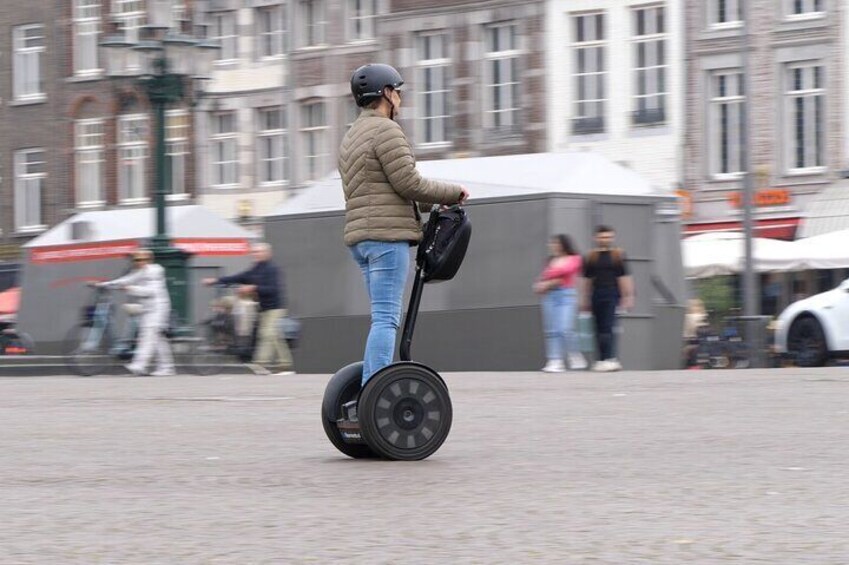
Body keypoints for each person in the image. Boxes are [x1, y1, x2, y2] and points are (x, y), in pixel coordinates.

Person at [340, 63, 469, 385]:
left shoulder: (351, 135)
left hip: (362, 239)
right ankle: (376, 389)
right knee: (386, 318)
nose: (399, 97)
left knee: (380, 317)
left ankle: (371, 386)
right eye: (397, 91)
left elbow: (386, 189)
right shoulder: (385, 130)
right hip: (386, 238)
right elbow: (409, 183)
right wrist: (454, 192)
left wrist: (433, 203)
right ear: (385, 94)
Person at [203, 242, 293, 376]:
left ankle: (261, 363)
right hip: (264, 308)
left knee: (267, 334)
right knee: (274, 336)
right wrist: (216, 280)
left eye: (258, 252)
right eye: (254, 252)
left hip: (275, 308)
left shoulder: (272, 269)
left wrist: (253, 288)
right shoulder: (255, 269)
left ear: (267, 253)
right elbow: (237, 278)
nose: (255, 254)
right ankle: (285, 365)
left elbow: (273, 289)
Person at [98, 249, 175, 376]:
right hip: (149, 309)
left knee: (147, 336)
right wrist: (103, 285)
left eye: (139, 259)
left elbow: (150, 291)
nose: (137, 262)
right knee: (157, 338)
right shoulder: (140, 272)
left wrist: (131, 289)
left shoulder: (154, 271)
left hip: (157, 308)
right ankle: (167, 367)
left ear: (148, 260)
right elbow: (125, 280)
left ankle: (139, 366)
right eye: (135, 260)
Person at [581, 225, 635, 372]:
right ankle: (600, 359)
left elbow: (624, 276)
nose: (605, 239)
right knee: (597, 328)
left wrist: (628, 296)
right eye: (602, 237)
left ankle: (610, 358)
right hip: (596, 293)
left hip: (612, 293)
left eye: (608, 237)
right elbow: (587, 279)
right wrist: (584, 299)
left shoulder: (618, 254)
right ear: (596, 238)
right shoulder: (591, 256)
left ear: (612, 237)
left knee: (608, 326)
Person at [533, 234, 587, 372]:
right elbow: (544, 278)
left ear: (564, 244)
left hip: (565, 295)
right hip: (549, 296)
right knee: (551, 330)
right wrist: (542, 284)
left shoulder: (575, 258)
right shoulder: (550, 260)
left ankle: (574, 354)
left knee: (565, 329)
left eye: (557, 243)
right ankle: (555, 360)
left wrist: (550, 279)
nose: (554, 246)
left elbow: (566, 272)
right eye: (552, 243)